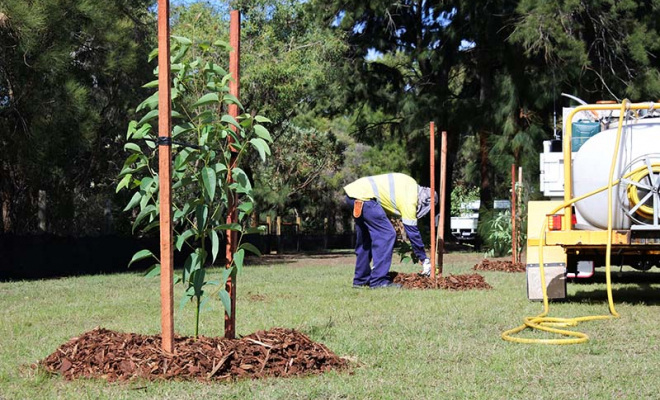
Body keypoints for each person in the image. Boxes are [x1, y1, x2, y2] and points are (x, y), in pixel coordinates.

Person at [344, 173, 437, 288]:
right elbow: (412, 232)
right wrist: (424, 259)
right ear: (424, 201)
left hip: (352, 196)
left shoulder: (410, 184)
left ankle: (360, 280)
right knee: (387, 235)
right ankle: (378, 281)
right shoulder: (411, 199)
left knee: (365, 239)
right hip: (365, 198)